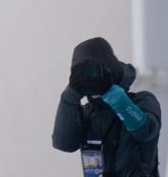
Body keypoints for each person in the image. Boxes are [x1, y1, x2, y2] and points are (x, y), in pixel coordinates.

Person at [53, 36, 161, 177]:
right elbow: (64, 144)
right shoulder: (87, 115)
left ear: (111, 70)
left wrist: (113, 93)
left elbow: (145, 130)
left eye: (95, 71)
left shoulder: (141, 101)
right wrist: (71, 95)